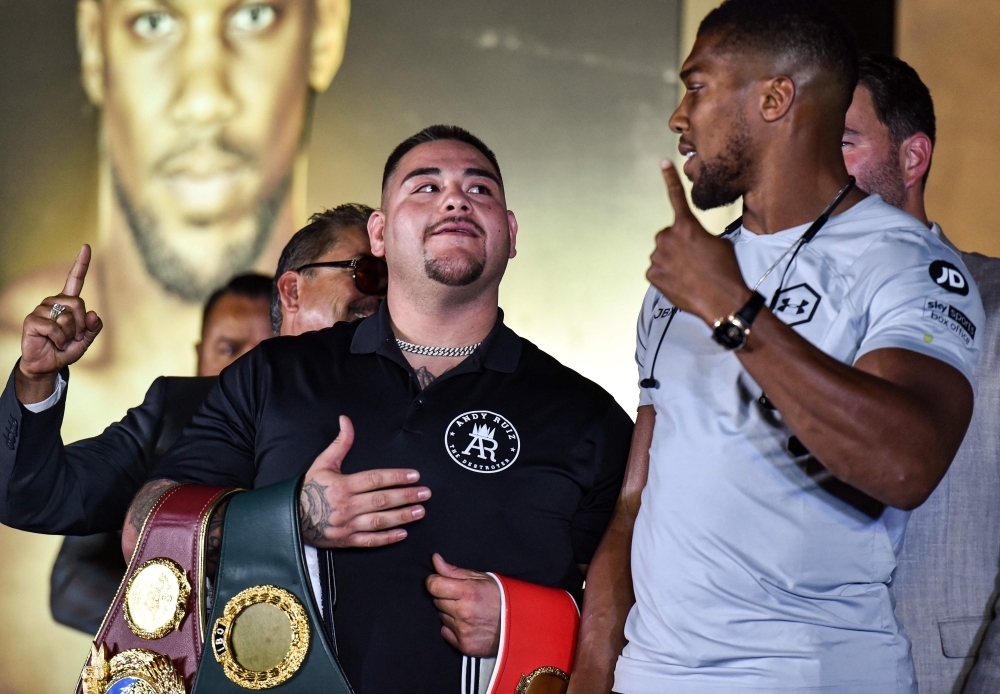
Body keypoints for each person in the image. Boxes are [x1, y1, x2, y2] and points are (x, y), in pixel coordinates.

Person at [570, 0, 984, 694]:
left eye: (697, 87)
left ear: (774, 98)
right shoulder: (688, 270)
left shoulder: (902, 259)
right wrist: (592, 672)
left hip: (812, 674)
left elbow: (906, 463)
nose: (679, 117)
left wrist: (732, 308)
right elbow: (636, 500)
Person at [125, 125, 633, 693]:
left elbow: (638, 607)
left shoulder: (586, 415)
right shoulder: (274, 375)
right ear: (380, 233)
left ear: (510, 234)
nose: (455, 199)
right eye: (424, 187)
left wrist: (528, 622)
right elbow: (144, 528)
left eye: (480, 190)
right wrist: (290, 518)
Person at [0, 204, 382, 626]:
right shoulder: (177, 411)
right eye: (367, 272)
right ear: (292, 293)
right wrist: (36, 378)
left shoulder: (408, 407)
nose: (383, 295)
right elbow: (30, 497)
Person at [0, 0, 351, 444]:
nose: (203, 102)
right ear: (93, 45)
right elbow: (38, 498)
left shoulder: (377, 391)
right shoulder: (26, 371)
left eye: (253, 15)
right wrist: (36, 382)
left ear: (324, 27)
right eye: (153, 22)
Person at [843, 54, 1000, 694]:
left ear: (913, 158)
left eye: (844, 142)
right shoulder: (765, 318)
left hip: (947, 668)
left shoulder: (994, 297)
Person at [46, 271, 271, 634]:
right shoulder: (158, 433)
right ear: (199, 355)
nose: (246, 368)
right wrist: (178, 627)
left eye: (266, 352)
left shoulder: (310, 437)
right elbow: (70, 583)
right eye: (229, 349)